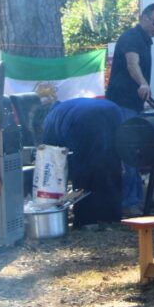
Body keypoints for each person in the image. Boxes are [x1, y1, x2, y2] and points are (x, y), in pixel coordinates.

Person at [104, 3, 154, 212]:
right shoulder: (132, 37)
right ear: (144, 18)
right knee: (129, 151)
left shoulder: (145, 40)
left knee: (136, 151)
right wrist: (143, 83)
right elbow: (132, 63)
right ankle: (129, 203)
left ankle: (136, 199)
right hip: (121, 104)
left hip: (133, 105)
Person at [37, 97, 136, 227]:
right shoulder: (65, 106)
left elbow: (53, 158)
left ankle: (86, 218)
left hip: (84, 119)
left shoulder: (49, 120)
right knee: (112, 164)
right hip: (113, 110)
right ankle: (112, 215)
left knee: (84, 168)